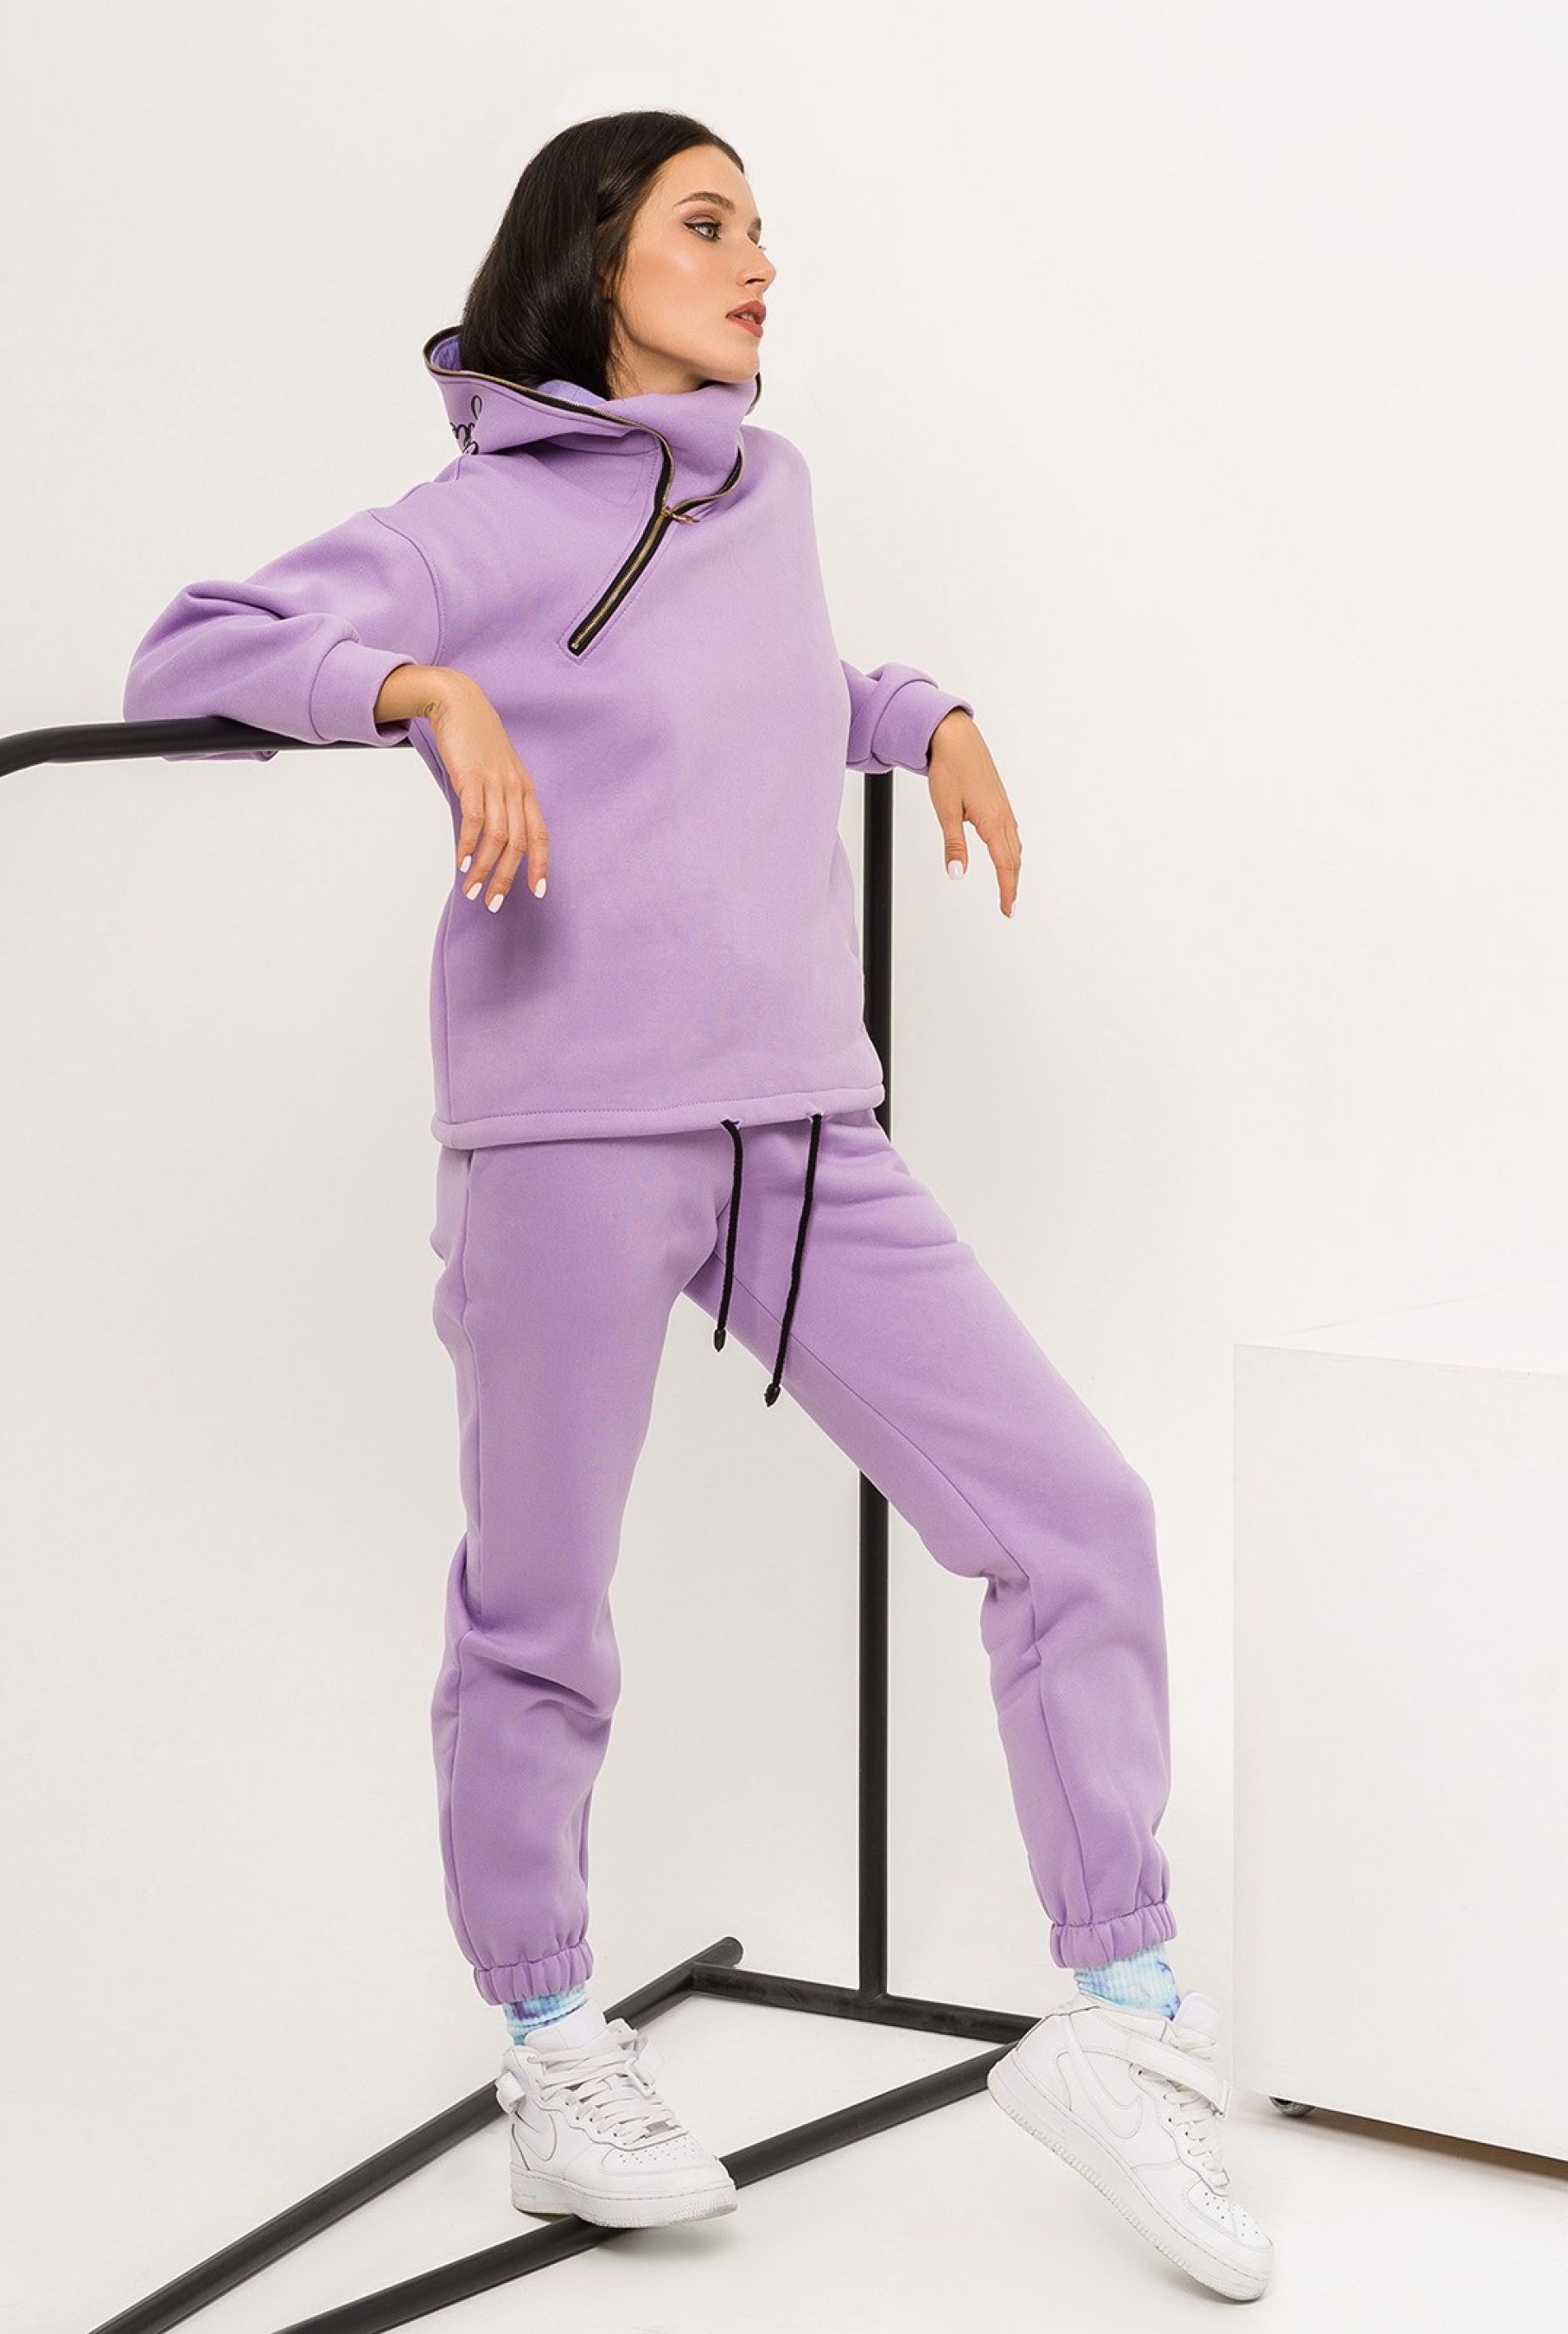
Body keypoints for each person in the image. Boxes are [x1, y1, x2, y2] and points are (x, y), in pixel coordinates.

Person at [123, 110, 1272, 2304]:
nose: (757, 263)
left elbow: (747, 693)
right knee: (539, 1614)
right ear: (597, 258)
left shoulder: (770, 490)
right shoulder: (480, 520)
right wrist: (410, 686)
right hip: (564, 1141)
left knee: (1076, 1519)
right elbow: (192, 649)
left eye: (760, 229)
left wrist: (914, 714)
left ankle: (1118, 2021)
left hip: (804, 1136)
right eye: (708, 225)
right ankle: (553, 2048)